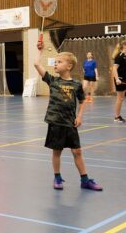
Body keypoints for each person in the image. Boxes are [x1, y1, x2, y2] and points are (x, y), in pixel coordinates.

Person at [34, 43, 102, 191]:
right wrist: (39, 51)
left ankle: (85, 180)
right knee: (57, 151)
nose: (55, 64)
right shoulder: (52, 80)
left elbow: (82, 101)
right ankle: (57, 178)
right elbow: (36, 64)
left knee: (77, 151)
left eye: (59, 62)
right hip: (55, 122)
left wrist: (79, 116)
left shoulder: (77, 84)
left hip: (70, 123)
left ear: (69, 66)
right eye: (55, 62)